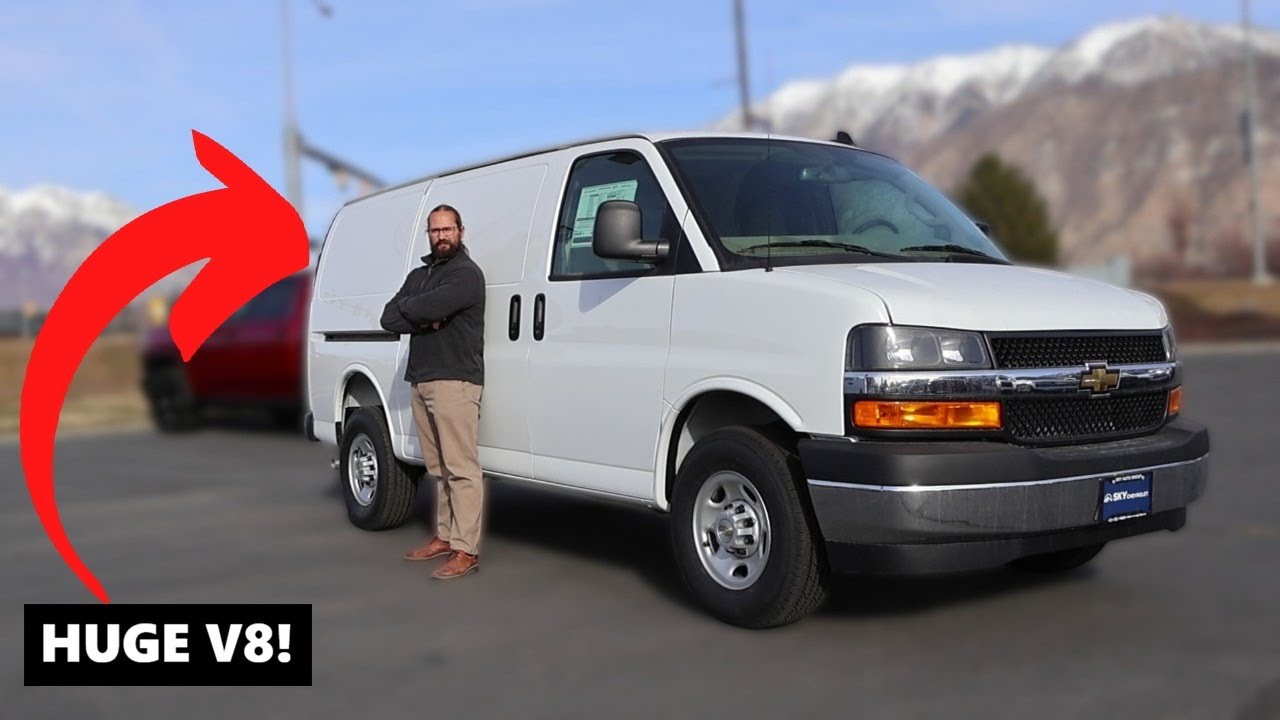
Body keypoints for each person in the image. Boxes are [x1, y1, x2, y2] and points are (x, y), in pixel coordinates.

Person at [380, 204, 486, 580]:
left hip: (454, 380)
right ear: (429, 234)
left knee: (461, 469)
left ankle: (466, 549)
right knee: (438, 469)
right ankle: (444, 536)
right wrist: (422, 314)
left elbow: (435, 305)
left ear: (461, 230)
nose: (441, 236)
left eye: (448, 229)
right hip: (421, 379)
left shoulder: (466, 275)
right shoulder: (419, 275)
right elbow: (388, 317)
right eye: (435, 230)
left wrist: (418, 313)